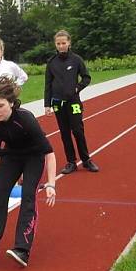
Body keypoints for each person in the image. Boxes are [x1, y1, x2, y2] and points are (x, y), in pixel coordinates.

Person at [0, 76, 57, 268]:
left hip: (34, 157)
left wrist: (51, 183)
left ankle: (22, 249)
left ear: (11, 103)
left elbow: (49, 153)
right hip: (11, 156)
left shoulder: (25, 119)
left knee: (28, 195)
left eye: (0, 106)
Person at [44, 30, 99, 174]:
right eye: (58, 43)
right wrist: (47, 105)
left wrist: (77, 88)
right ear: (55, 45)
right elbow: (48, 85)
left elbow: (86, 78)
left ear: (69, 43)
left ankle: (86, 160)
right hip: (57, 103)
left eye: (63, 43)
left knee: (78, 130)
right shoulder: (51, 62)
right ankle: (71, 162)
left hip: (73, 101)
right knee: (64, 133)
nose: (61, 46)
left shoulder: (76, 60)